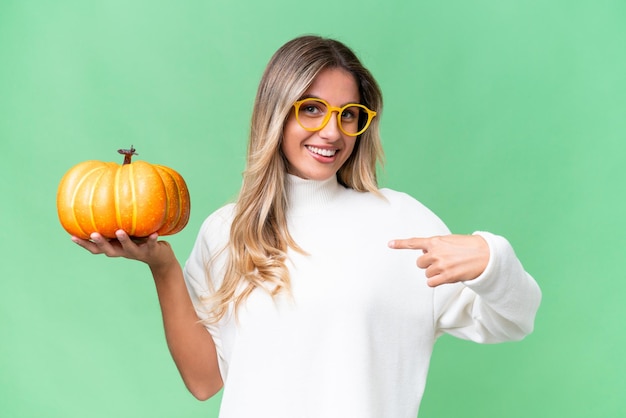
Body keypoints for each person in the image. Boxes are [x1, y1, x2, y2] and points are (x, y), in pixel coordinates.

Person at [72, 35, 542, 418]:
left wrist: (492, 260)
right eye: (311, 109)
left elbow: (513, 320)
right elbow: (204, 381)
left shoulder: (403, 223)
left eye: (349, 115)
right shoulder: (227, 230)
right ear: (276, 114)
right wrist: (164, 268)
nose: (332, 132)